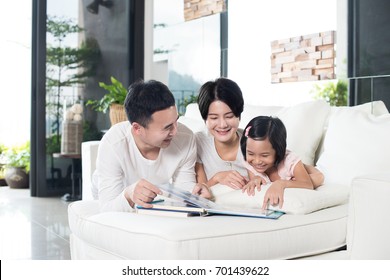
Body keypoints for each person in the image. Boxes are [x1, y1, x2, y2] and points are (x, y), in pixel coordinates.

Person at [94, 79, 210, 212]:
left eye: (176, 121)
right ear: (137, 128)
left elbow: (183, 189)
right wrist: (129, 194)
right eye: (167, 127)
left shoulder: (186, 138)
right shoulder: (113, 144)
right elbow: (107, 209)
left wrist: (195, 196)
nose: (175, 131)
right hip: (112, 192)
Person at [240, 116, 324, 210]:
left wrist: (281, 183)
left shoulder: (290, 160)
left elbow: (307, 184)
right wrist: (255, 179)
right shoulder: (249, 162)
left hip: (309, 172)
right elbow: (255, 180)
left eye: (264, 155)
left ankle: (305, 167)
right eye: (251, 153)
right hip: (290, 175)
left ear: (278, 150)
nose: (257, 161)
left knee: (319, 178)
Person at [195, 78, 248, 190]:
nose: (222, 125)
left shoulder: (254, 140)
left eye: (229, 116)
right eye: (214, 118)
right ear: (205, 119)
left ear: (239, 115)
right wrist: (216, 178)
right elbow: (200, 193)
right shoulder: (198, 142)